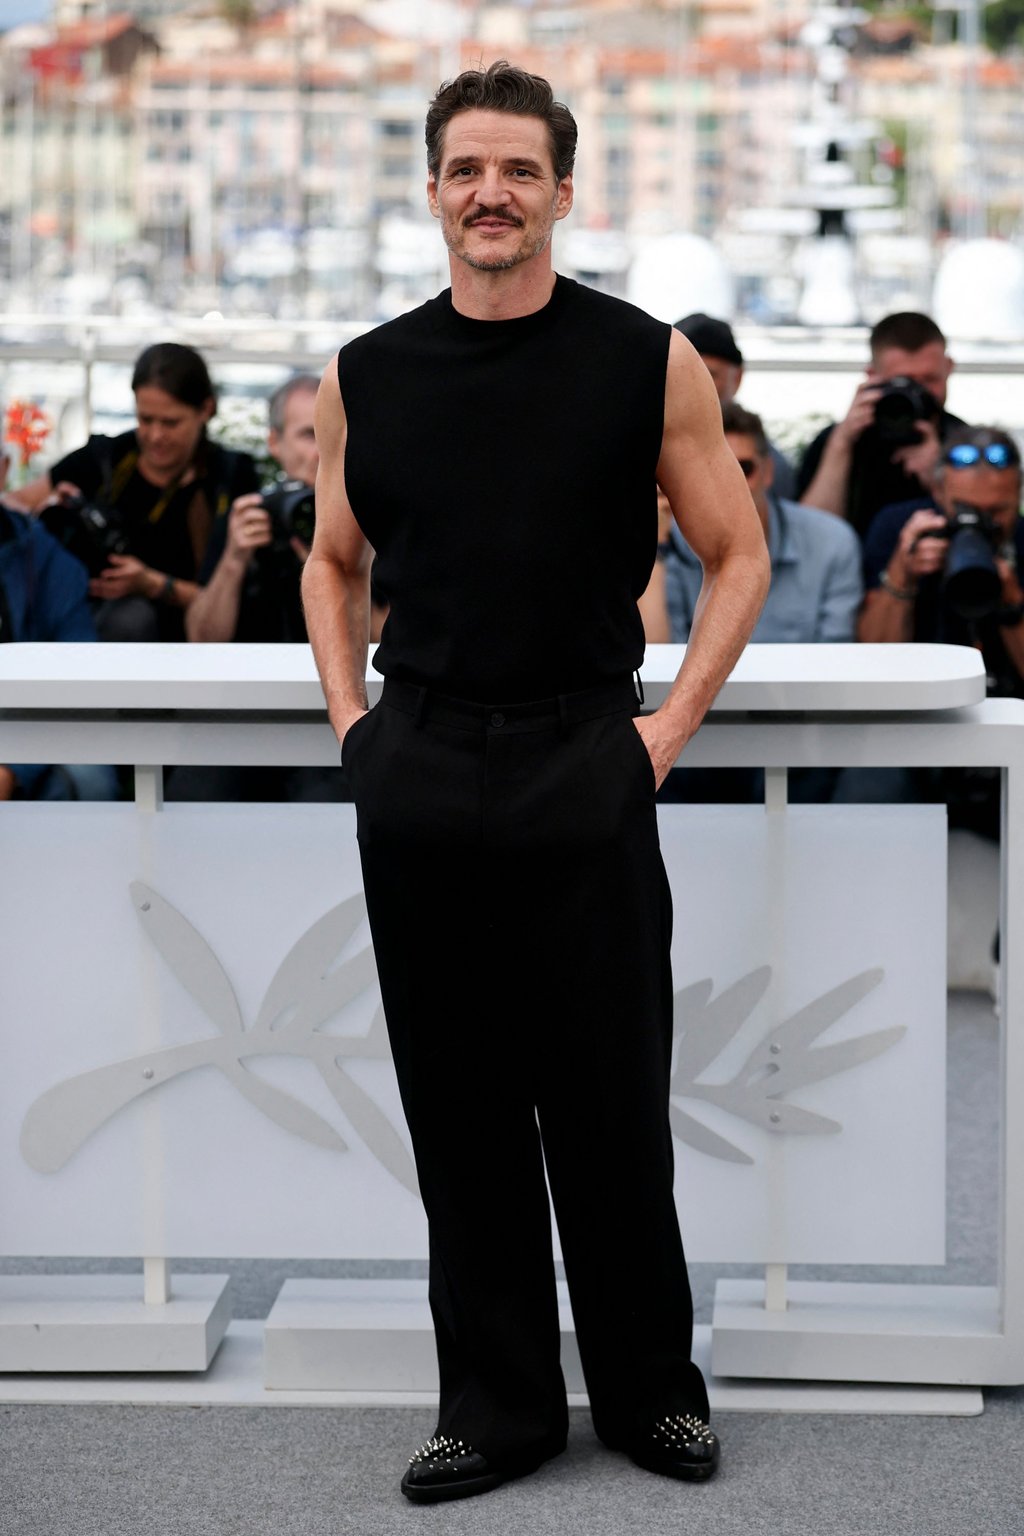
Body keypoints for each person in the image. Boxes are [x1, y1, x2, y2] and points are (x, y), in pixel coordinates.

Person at [302, 61, 769, 1504]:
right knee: (459, 1106)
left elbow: (734, 552)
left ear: (565, 191)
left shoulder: (645, 360)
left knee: (611, 1098)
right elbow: (332, 564)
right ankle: (495, 1410)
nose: (489, 194)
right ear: (433, 190)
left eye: (518, 171)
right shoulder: (367, 371)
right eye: (465, 170)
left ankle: (651, 1396)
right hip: (422, 760)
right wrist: (351, 729)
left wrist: (666, 728)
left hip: (587, 752)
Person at [15, 343, 259, 641]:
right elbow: (14, 505)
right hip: (82, 625)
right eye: (145, 419)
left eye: (170, 423)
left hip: (188, 641)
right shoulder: (105, 458)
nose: (155, 436)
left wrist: (152, 584)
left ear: (205, 410)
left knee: (132, 618)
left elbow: (228, 598)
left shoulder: (227, 479)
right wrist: (45, 513)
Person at [855, 424, 1024, 832]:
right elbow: (869, 660)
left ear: (1018, 496)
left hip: (1009, 723)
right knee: (863, 796)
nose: (982, 523)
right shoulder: (901, 527)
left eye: (997, 512)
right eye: (967, 510)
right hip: (914, 725)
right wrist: (901, 575)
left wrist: (1011, 602)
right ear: (939, 495)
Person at [665, 402, 862, 646]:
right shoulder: (669, 543)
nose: (730, 483)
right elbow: (660, 655)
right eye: (711, 470)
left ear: (768, 472)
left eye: (743, 468)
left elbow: (834, 657)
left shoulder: (831, 541)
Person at [0, 434, 117, 802]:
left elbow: (77, 677)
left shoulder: (45, 558)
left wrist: (13, 768)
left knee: (91, 781)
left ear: (2, 470)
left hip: (28, 723)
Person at [797, 311, 963, 539]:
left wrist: (940, 476)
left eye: (929, 380)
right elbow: (810, 539)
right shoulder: (838, 442)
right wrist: (841, 444)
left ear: (948, 368)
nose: (918, 393)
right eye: (904, 383)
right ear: (872, 376)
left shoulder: (965, 442)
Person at [674, 313, 797, 499]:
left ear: (737, 378)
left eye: (708, 375)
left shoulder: (764, 463)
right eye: (676, 374)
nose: (690, 386)